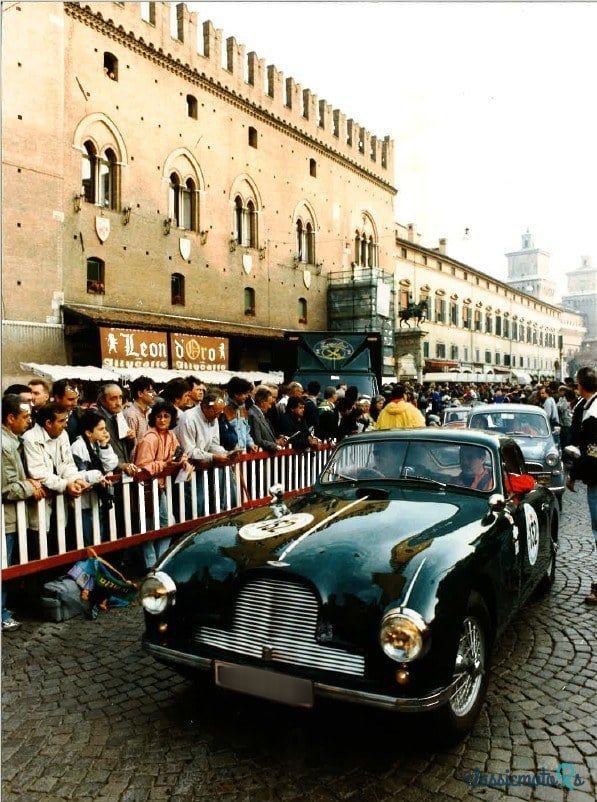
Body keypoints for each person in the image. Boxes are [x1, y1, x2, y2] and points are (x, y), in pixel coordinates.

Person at [1, 396, 46, 630]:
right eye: (25, 417)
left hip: (11, 518)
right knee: (4, 565)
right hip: (6, 519)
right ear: (10, 418)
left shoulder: (11, 441)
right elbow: (5, 488)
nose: (29, 421)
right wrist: (30, 486)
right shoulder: (5, 445)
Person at [22, 402, 94, 540]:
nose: (65, 424)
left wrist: (76, 480)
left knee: (62, 543)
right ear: (48, 423)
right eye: (61, 421)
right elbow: (38, 472)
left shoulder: (63, 435)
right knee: (40, 548)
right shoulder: (30, 438)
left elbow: (68, 464)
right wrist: (66, 485)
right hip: (40, 505)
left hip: (61, 503)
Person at [135, 401, 190, 570]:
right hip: (146, 488)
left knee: (163, 525)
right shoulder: (150, 438)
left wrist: (183, 462)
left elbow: (179, 454)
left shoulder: (170, 436)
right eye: (159, 416)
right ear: (153, 418)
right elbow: (142, 466)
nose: (162, 420)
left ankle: (158, 563)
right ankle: (153, 564)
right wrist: (164, 464)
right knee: (149, 527)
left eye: (166, 416)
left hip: (160, 488)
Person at [566, 366, 597, 606]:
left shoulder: (593, 412)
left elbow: (591, 450)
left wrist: (575, 472)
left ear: (580, 385)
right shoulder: (587, 406)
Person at [70, 410, 119, 545]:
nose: (105, 432)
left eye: (105, 429)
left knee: (99, 539)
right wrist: (97, 476)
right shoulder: (78, 447)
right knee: (89, 542)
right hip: (84, 504)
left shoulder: (97, 444)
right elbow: (78, 473)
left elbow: (110, 465)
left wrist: (104, 446)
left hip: (98, 501)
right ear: (88, 432)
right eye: (101, 429)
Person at [95, 384, 138, 477]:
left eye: (120, 398)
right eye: (113, 399)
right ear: (102, 400)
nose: (118, 403)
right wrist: (120, 466)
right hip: (107, 475)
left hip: (124, 472)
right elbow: (97, 450)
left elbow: (125, 448)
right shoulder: (96, 418)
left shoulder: (119, 415)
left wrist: (131, 438)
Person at [220, 377, 258, 454]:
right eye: (244, 393)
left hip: (243, 454)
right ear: (236, 394)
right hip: (228, 455)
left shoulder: (243, 409)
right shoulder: (223, 409)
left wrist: (250, 443)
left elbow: (246, 430)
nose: (247, 396)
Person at [248, 386, 288, 451]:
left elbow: (266, 437)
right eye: (269, 404)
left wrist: (276, 441)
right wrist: (275, 446)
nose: (270, 407)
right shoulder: (253, 415)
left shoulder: (260, 414)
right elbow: (258, 440)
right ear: (262, 402)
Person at [124, 376, 156, 450]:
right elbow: (131, 445)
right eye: (150, 391)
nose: (153, 394)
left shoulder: (151, 412)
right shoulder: (130, 414)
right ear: (140, 393)